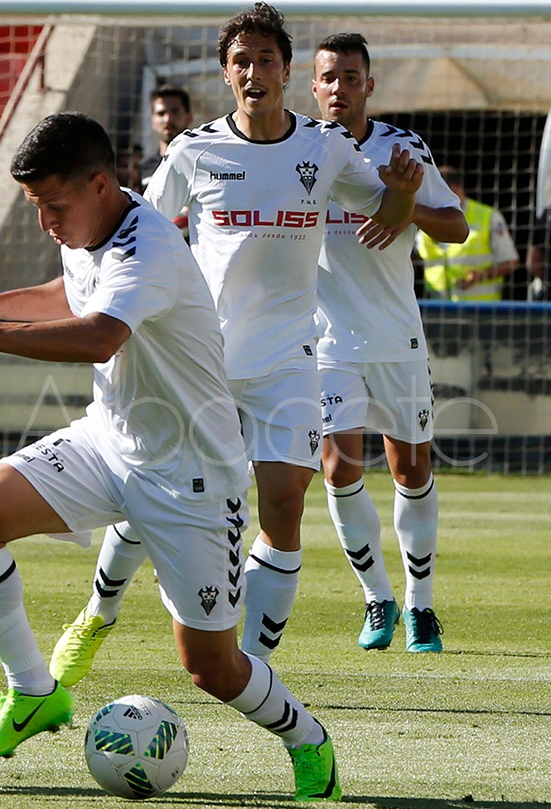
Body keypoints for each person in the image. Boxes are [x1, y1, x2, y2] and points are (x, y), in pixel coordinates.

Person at [0, 111, 342, 802]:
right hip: (106, 442)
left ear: (101, 184)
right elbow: (73, 292)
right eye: (38, 205)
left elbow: (99, 335)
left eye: (54, 204)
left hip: (190, 477)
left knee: (215, 669)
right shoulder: (87, 226)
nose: (47, 220)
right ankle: (33, 692)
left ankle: (308, 738)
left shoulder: (150, 249)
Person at [48, 2, 423, 682]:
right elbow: (136, 231)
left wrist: (401, 192)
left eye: (267, 60)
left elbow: (389, 214)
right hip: (200, 362)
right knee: (148, 496)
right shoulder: (193, 150)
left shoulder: (325, 147)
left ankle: (249, 668)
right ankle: (95, 616)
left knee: (283, 508)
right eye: (241, 62)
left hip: (287, 362)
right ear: (227, 74)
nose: (255, 71)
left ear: (285, 70)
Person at [311, 33, 467, 652]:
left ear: (368, 85)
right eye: (330, 78)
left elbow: (453, 225)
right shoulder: (298, 149)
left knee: (412, 467)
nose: (340, 88)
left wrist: (406, 208)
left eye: (352, 77)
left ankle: (421, 607)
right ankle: (378, 599)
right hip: (325, 342)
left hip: (398, 337)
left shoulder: (404, 147)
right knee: (338, 466)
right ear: (314, 86)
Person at [416, 166, 519, 301]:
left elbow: (511, 262)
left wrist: (481, 275)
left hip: (480, 312)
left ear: (454, 189)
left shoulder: (489, 216)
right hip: (438, 311)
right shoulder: (424, 217)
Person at [140, 85, 193, 183]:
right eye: (161, 113)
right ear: (152, 120)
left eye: (175, 112)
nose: (167, 119)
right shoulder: (143, 169)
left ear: (189, 117)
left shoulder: (199, 162)